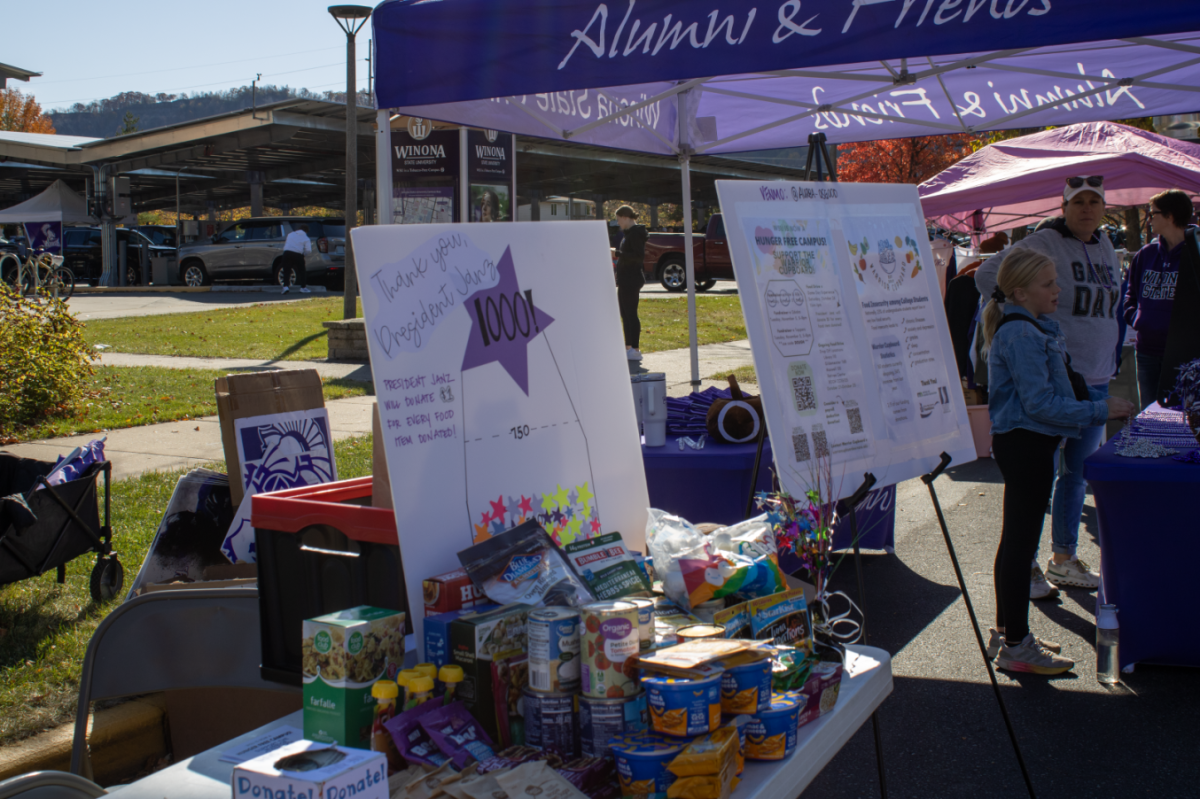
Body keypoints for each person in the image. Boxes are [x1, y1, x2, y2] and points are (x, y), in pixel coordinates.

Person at [981, 249, 1134, 674]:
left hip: (1027, 444)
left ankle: (1008, 632)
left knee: (1016, 541)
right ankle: (1015, 644)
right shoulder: (1022, 335)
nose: (1057, 290)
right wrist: (1101, 410)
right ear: (1020, 291)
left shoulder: (1029, 327)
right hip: (1026, 444)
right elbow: (1041, 403)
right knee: (1020, 544)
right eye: (1048, 283)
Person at [975, 176, 1119, 597]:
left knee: (1076, 475)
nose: (1087, 209)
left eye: (1095, 201)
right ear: (1064, 205)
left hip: (1094, 375)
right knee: (1034, 476)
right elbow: (987, 275)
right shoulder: (1044, 241)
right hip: (1054, 381)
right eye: (1079, 202)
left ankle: (1063, 557)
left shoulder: (1106, 244)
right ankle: (1028, 565)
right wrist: (1025, 318)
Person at [1124, 189, 1195, 409]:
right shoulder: (1145, 254)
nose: (1149, 218)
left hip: (1184, 356)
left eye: (1152, 213)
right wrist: (1137, 319)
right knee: (1149, 415)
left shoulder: (1197, 253)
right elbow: (1130, 294)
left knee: (1181, 419)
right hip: (1146, 351)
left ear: (1170, 216)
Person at [614, 205, 647, 361]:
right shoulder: (629, 234)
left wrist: (617, 253)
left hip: (631, 279)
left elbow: (638, 256)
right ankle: (629, 348)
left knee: (631, 314)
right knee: (625, 314)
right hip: (625, 279)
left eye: (619, 219)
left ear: (625, 217)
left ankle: (635, 349)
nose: (618, 222)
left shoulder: (635, 234)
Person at [281, 223, 311, 295]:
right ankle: (303, 287)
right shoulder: (306, 238)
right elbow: (308, 250)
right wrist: (303, 255)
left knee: (287, 270)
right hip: (298, 254)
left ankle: (285, 287)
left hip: (287, 252)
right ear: (306, 231)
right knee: (302, 271)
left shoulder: (290, 234)